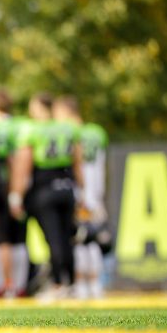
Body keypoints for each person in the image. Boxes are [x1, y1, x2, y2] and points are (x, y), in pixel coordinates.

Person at [10, 93, 83, 300]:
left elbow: (23, 167)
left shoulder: (31, 130)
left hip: (44, 188)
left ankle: (59, 283)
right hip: (66, 187)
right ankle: (72, 283)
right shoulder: (68, 129)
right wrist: (82, 191)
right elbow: (78, 162)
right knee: (67, 237)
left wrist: (16, 196)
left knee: (53, 238)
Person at [54, 95, 107, 299]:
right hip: (96, 190)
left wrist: (82, 192)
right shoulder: (96, 132)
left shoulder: (70, 133)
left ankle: (85, 284)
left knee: (80, 239)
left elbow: (76, 166)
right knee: (91, 238)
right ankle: (95, 284)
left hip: (80, 191)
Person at [0, 89, 28, 297]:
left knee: (0, 238)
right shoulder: (20, 125)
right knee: (18, 239)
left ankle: (5, 284)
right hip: (20, 186)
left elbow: (13, 160)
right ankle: (17, 284)